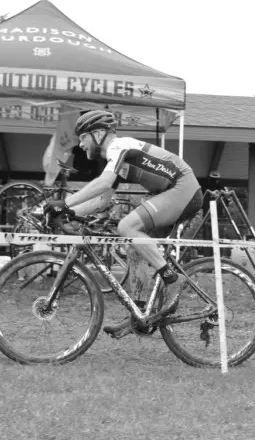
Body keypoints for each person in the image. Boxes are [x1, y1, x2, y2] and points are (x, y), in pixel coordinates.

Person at [43, 110, 203, 337]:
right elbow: (102, 200)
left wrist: (65, 203)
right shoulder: (116, 160)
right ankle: (139, 315)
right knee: (134, 245)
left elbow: (103, 182)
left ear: (98, 133)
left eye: (83, 137)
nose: (80, 144)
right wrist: (68, 212)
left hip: (183, 189)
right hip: (173, 192)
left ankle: (172, 279)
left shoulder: (119, 146)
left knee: (126, 227)